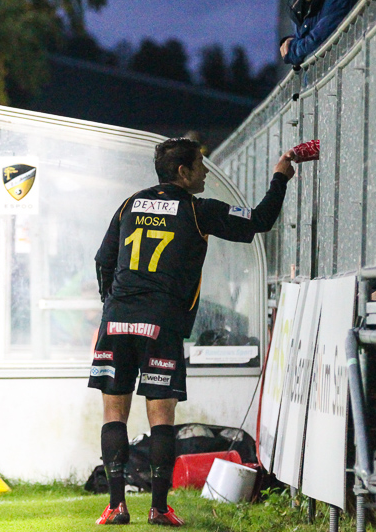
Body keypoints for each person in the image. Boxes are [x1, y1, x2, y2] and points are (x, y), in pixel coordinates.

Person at [88, 137, 295, 525]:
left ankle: (116, 507)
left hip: (116, 319)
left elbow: (103, 260)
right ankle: (159, 508)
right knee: (160, 417)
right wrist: (280, 178)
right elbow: (259, 221)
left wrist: (112, 304)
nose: (204, 171)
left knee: (113, 413)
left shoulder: (130, 205)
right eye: (200, 164)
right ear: (183, 172)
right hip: (160, 323)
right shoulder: (197, 211)